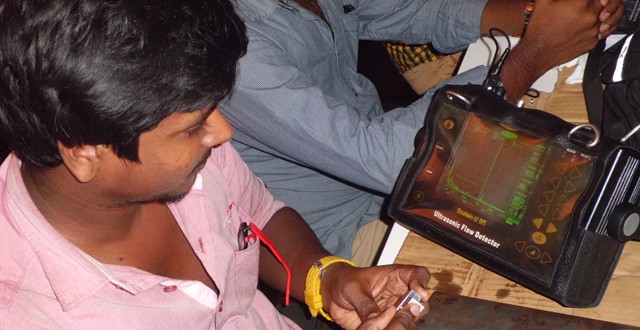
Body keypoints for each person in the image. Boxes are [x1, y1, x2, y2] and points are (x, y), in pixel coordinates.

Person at [0, 1, 431, 330]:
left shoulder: (180, 158)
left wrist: (326, 279)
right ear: (85, 153)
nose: (222, 133)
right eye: (193, 128)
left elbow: (258, 213)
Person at [220, 0, 625, 266]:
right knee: (587, 251)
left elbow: (414, 10)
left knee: (598, 181)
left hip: (402, 170)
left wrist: (545, 16)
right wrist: (530, 56)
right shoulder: (229, 50)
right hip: (355, 233)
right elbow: (391, 160)